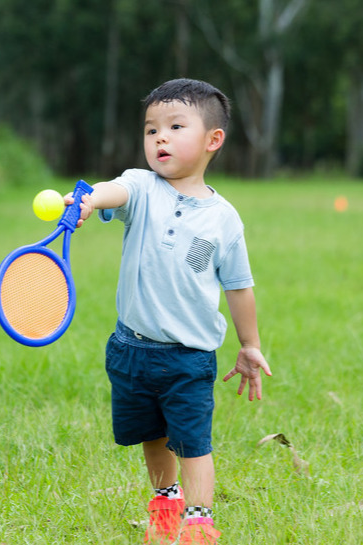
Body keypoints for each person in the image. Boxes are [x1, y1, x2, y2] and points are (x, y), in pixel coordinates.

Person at [68, 78, 271, 545]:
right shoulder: (142, 188)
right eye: (150, 129)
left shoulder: (224, 219)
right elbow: (111, 190)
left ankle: (199, 523)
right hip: (131, 350)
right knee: (152, 437)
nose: (158, 137)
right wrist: (86, 200)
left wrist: (250, 344)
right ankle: (166, 507)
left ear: (211, 140)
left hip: (189, 357)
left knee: (193, 443)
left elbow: (239, 287)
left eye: (175, 126)